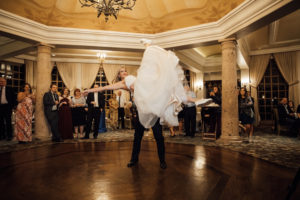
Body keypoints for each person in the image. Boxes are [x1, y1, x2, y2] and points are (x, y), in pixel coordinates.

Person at [84, 39, 209, 169]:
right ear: (119, 75)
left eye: (125, 70)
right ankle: (134, 159)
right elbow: (105, 88)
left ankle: (162, 160)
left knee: (159, 135)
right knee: (137, 136)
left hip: (152, 107)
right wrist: (89, 90)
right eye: (122, 71)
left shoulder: (137, 78)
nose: (125, 72)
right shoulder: (123, 84)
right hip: (141, 111)